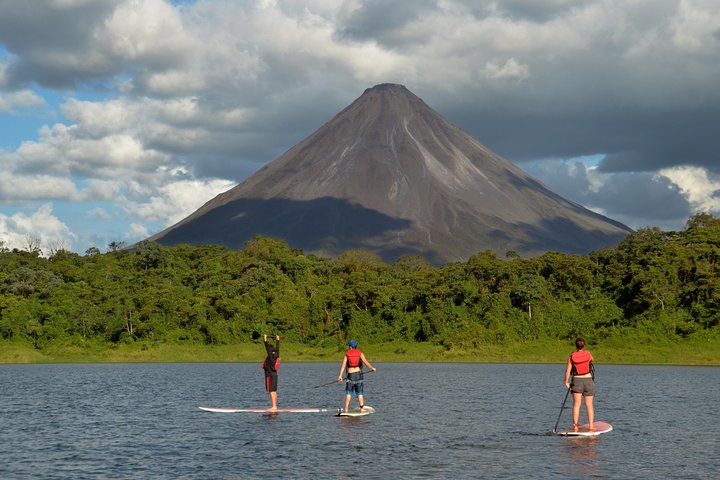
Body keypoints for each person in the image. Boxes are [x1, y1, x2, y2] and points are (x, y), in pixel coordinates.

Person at [564, 337, 595, 431]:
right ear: (584, 345)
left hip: (576, 381)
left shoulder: (572, 356)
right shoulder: (588, 354)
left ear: (575, 345)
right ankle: (591, 427)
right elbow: (592, 360)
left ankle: (575, 426)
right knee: (589, 405)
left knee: (576, 404)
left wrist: (566, 382)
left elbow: (568, 370)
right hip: (588, 380)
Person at [337, 340, 376, 412]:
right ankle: (361, 408)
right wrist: (372, 368)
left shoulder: (347, 354)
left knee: (348, 392)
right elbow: (366, 362)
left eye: (349, 346)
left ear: (351, 347)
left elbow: (343, 365)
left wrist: (340, 376)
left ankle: (346, 409)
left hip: (350, 376)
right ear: (356, 346)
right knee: (360, 393)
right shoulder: (360, 353)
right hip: (358, 375)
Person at [262, 334, 280, 410]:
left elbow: (267, 348)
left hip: (270, 375)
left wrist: (265, 339)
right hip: (275, 375)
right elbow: (278, 349)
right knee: (274, 391)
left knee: (271, 391)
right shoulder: (276, 355)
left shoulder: (271, 357)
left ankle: (274, 406)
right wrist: (278, 340)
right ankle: (275, 406)